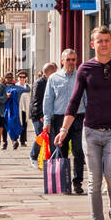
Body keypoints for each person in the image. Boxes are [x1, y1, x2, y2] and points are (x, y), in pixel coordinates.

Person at [55, 26, 111, 220]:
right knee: (94, 182)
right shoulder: (85, 69)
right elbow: (74, 100)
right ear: (93, 44)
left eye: (107, 40)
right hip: (90, 132)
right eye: (100, 41)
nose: (104, 44)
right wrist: (64, 129)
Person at [45, 51, 86, 192]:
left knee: (79, 150)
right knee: (60, 150)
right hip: (59, 118)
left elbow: (86, 98)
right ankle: (62, 181)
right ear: (62, 61)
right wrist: (47, 122)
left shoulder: (81, 76)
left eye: (74, 59)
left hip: (78, 117)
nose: (71, 62)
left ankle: (77, 181)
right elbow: (48, 101)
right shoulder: (54, 78)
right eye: (68, 59)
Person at [30, 62, 57, 161]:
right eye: (54, 71)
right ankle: (33, 156)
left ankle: (53, 159)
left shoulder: (52, 81)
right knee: (41, 136)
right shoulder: (39, 83)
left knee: (51, 137)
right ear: (49, 72)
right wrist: (41, 115)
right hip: (38, 115)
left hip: (49, 114)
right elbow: (36, 100)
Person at [3, 72, 26, 149]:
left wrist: (23, 82)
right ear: (5, 78)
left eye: (11, 77)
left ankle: (14, 140)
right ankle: (4, 142)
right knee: (4, 126)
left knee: (13, 124)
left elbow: (27, 89)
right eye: (7, 77)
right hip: (3, 109)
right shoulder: (2, 88)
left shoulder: (17, 87)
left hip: (14, 109)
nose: (9, 79)